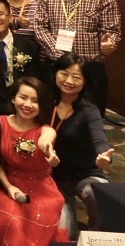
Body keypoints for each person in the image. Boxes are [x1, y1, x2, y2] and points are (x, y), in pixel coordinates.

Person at [33, 0, 121, 115]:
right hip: (56, 66)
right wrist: (60, 55)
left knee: (90, 117)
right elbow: (40, 28)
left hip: (90, 68)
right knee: (51, 116)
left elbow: (112, 32)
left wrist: (110, 44)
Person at [0, 77, 67, 245]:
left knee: (40, 217)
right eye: (23, 97)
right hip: (8, 183)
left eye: (35, 101)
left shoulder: (45, 130)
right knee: (13, 221)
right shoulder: (0, 123)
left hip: (41, 189)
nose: (28, 105)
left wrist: (48, 150)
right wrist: (8, 187)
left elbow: (46, 140)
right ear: (13, 98)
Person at [50, 54, 115, 239]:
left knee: (99, 196)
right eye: (64, 74)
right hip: (53, 179)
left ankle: (97, 238)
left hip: (86, 174)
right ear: (55, 74)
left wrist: (105, 156)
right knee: (65, 233)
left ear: (85, 81)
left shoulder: (89, 111)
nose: (69, 81)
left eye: (76, 77)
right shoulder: (44, 104)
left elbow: (100, 140)